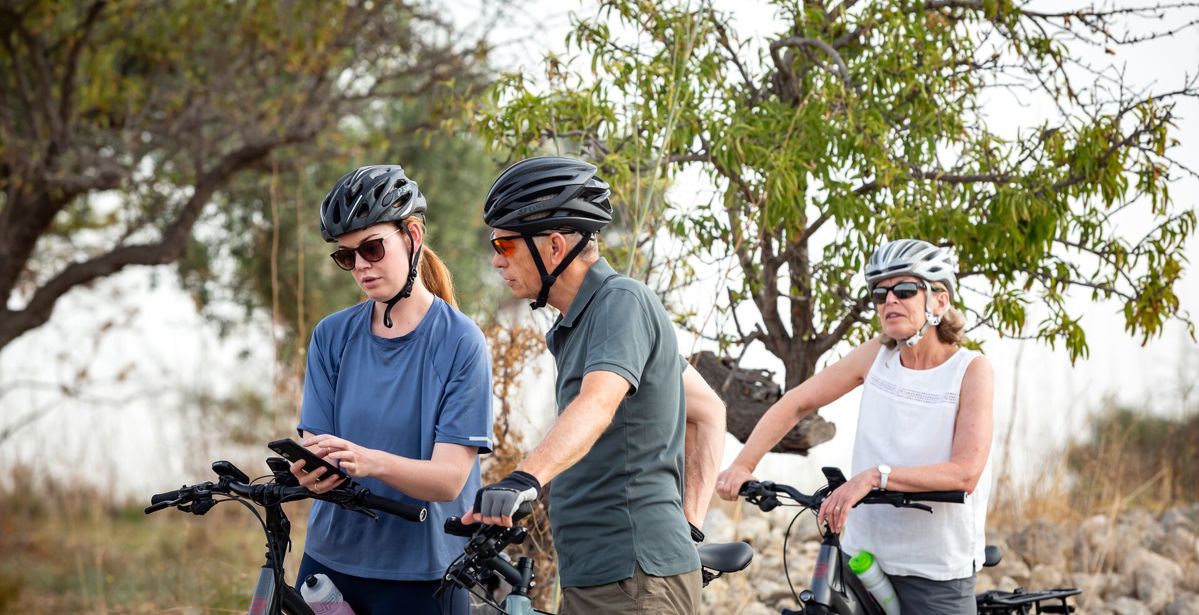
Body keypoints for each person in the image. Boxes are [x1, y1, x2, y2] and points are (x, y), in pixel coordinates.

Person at [461, 156, 726, 615]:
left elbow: (598, 403)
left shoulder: (620, 301)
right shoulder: (584, 322)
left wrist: (526, 478)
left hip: (634, 579)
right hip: (604, 576)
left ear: (555, 246)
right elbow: (707, 411)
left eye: (505, 245)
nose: (496, 260)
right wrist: (691, 526)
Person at [715, 239, 994, 614]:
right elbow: (797, 402)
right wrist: (743, 465)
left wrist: (872, 477)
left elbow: (965, 473)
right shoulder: (876, 356)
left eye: (905, 289)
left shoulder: (970, 370)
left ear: (939, 301)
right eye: (880, 294)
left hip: (935, 571)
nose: (890, 300)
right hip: (862, 558)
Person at [288, 165, 493, 615]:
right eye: (347, 256)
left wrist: (367, 460)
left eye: (372, 248)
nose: (361, 266)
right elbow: (316, 445)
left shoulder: (460, 341)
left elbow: (448, 480)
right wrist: (310, 473)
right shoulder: (331, 336)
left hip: (425, 575)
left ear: (412, 235)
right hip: (329, 563)